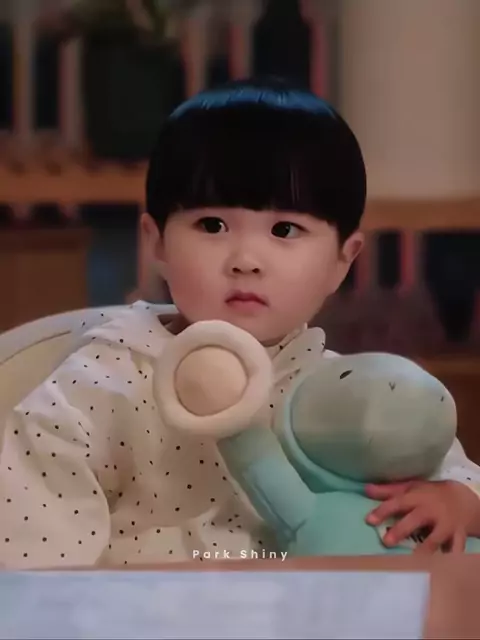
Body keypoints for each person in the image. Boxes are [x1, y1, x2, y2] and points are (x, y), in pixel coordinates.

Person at [1, 77, 479, 569]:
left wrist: (459, 499)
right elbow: (34, 549)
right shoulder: (104, 379)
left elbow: (453, 470)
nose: (246, 260)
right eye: (212, 226)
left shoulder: (350, 392)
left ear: (343, 259)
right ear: (157, 241)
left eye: (285, 229)